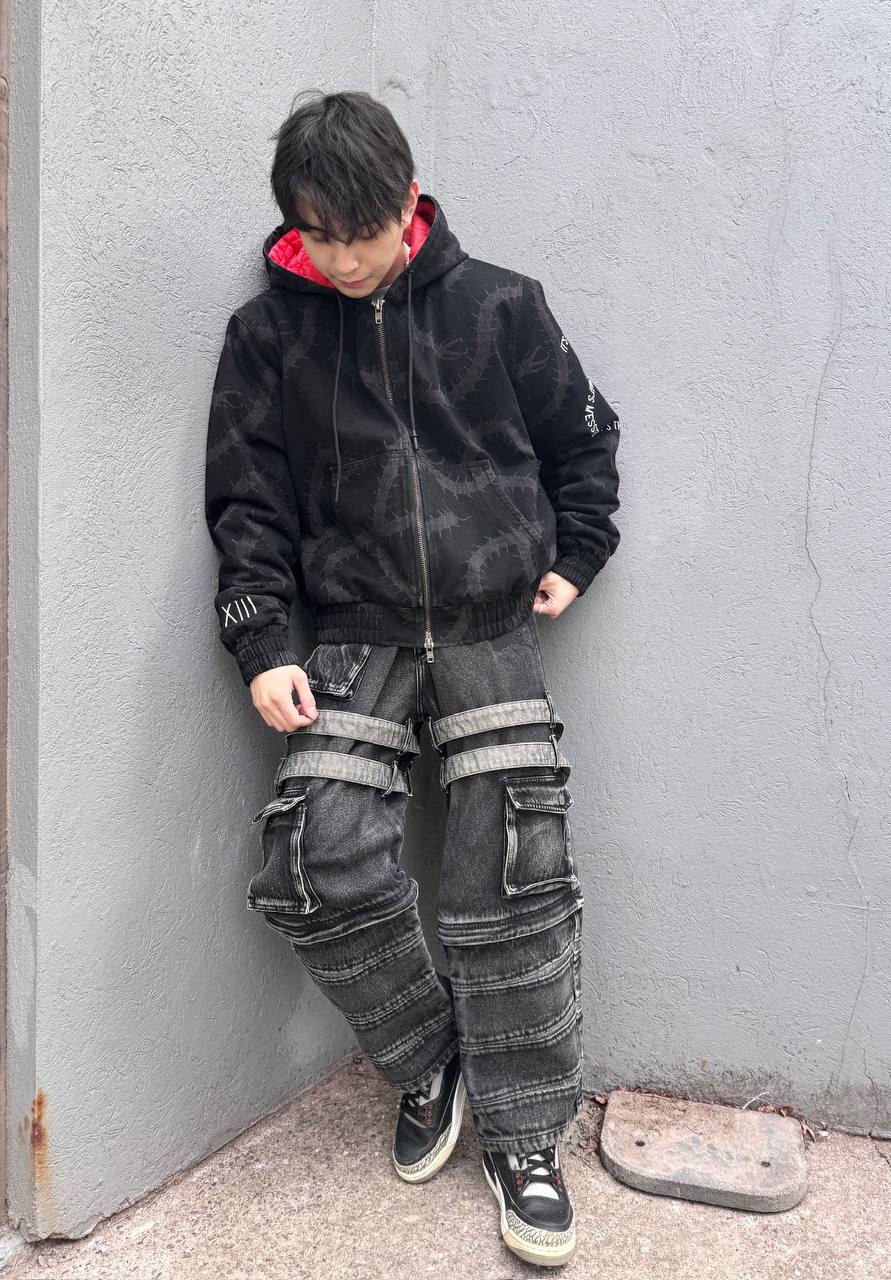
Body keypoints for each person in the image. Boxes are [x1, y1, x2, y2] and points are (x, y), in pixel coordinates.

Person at [204, 89, 621, 1268]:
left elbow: (585, 439)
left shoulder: (500, 306)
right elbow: (247, 505)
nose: (342, 259)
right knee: (313, 860)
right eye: (318, 234)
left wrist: (578, 552)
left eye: (361, 231)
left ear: (409, 199)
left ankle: (525, 1136)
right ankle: (432, 1056)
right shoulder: (268, 336)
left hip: (490, 625)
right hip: (354, 635)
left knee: (514, 877)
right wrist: (262, 641)